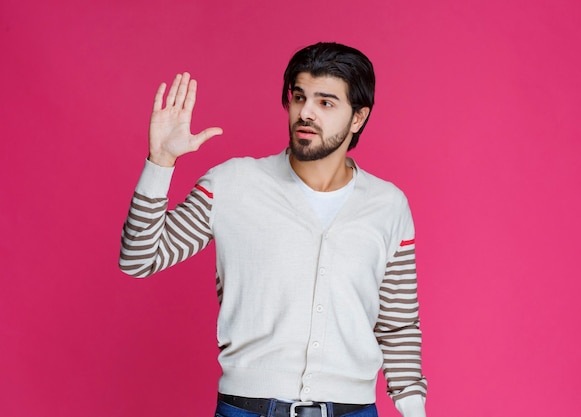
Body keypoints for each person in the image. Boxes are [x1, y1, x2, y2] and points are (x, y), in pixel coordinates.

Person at [119, 42, 427, 417]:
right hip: (247, 409)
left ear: (358, 118)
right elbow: (139, 258)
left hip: (354, 410)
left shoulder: (388, 205)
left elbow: (398, 325)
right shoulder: (232, 184)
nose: (306, 113)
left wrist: (414, 410)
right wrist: (161, 161)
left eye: (326, 103)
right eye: (299, 97)